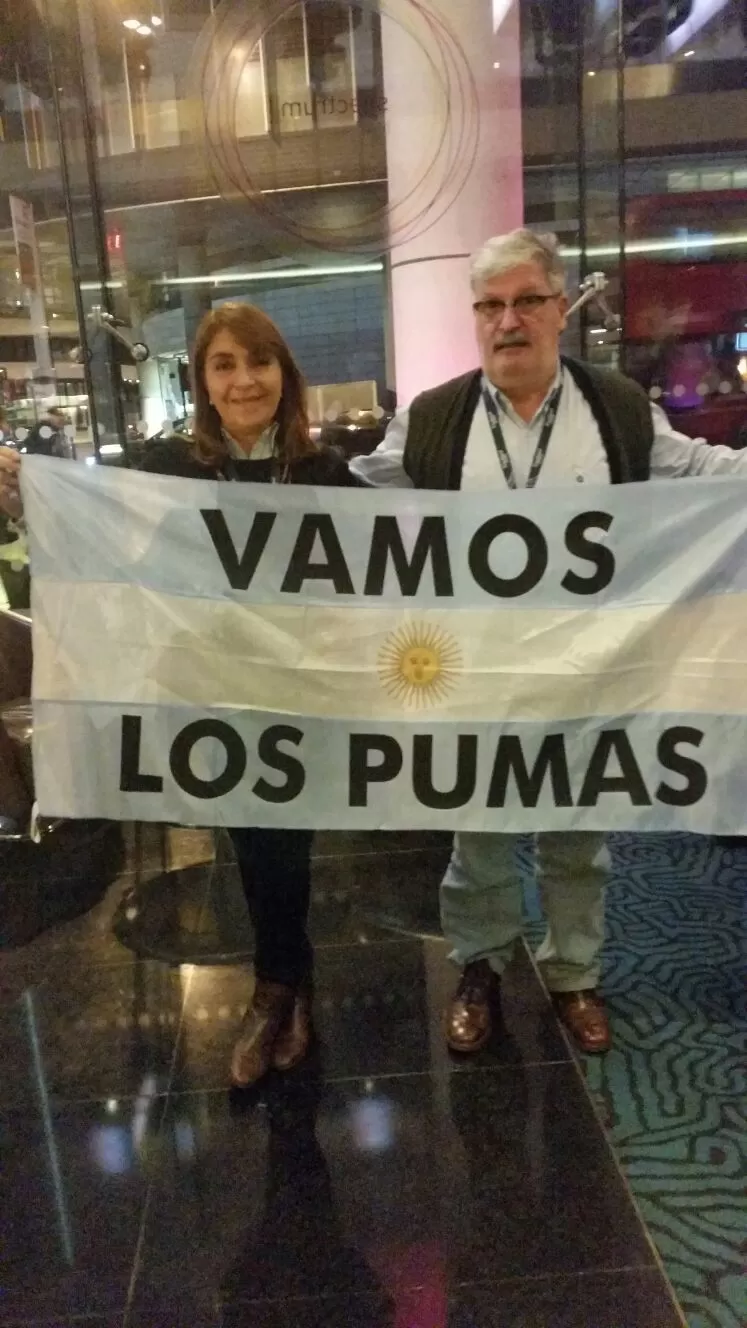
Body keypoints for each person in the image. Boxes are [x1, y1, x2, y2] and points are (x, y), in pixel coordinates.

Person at [350, 227, 747, 1057]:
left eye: (526, 300)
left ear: (559, 308)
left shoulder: (615, 409)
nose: (507, 321)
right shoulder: (433, 419)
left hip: (585, 673)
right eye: (488, 306)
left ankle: (574, 975)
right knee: (478, 840)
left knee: (577, 840)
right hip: (477, 677)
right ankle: (480, 966)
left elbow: (708, 477)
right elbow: (338, 504)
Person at [0, 302, 359, 1088]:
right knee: (250, 839)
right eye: (224, 365)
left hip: (296, 698)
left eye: (257, 362)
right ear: (201, 380)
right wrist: (33, 490)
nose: (243, 380)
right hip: (209, 695)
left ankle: (279, 990)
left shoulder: (326, 473)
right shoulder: (171, 468)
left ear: (282, 374)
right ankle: (284, 985)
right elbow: (94, 524)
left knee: (283, 844)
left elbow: (408, 552)